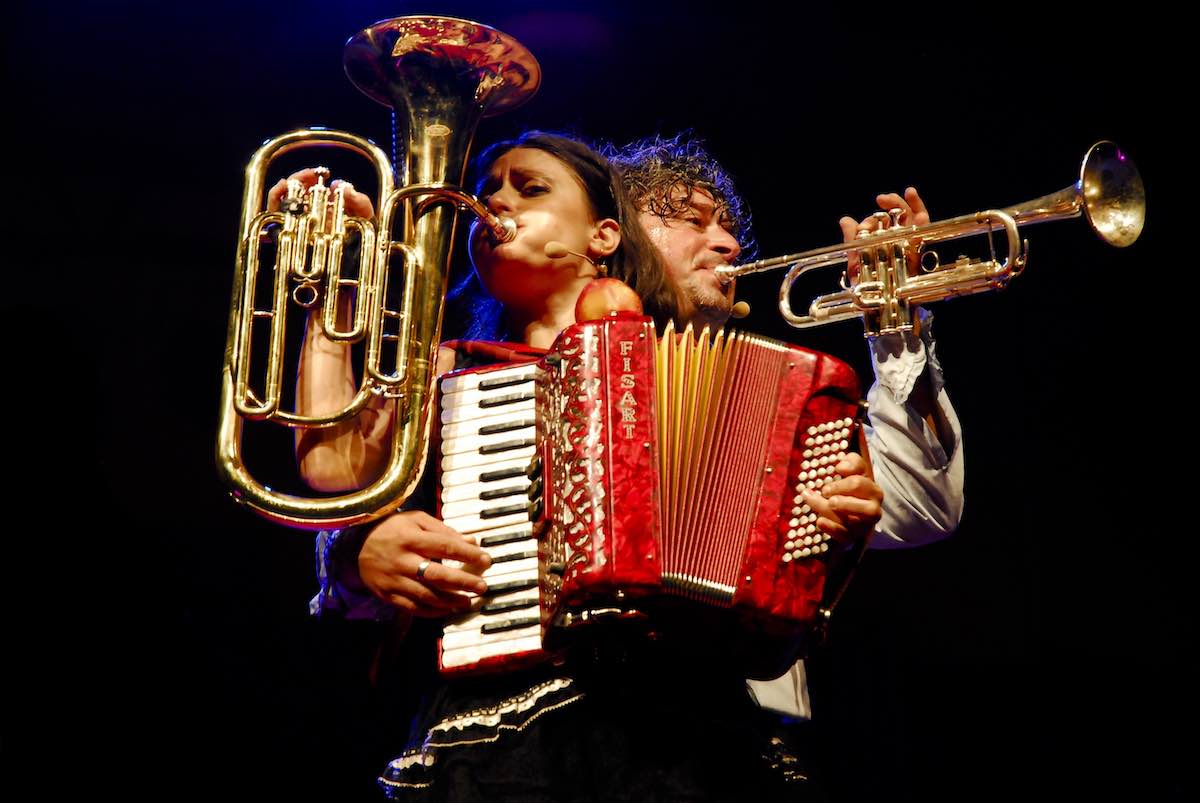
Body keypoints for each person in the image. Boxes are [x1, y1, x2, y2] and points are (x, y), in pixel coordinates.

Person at [289, 131, 883, 801]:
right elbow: (334, 474)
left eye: (529, 188)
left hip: (692, 743)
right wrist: (332, 287)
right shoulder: (449, 372)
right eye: (488, 192)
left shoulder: (739, 386)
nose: (495, 203)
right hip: (506, 738)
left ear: (604, 235)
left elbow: (790, 595)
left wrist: (831, 524)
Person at [604, 132, 965, 787]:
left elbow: (925, 507)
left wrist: (895, 318)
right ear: (611, 233)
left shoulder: (774, 396)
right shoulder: (539, 361)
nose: (728, 243)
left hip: (735, 745)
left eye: (726, 225)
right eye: (690, 220)